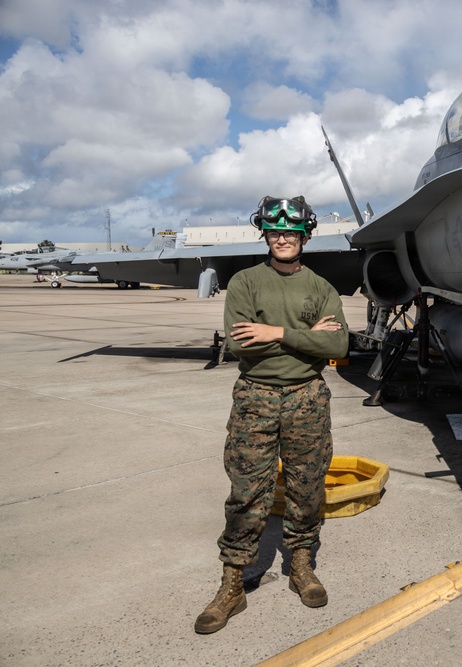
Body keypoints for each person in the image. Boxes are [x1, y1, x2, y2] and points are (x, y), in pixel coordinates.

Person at [195, 195, 349, 634]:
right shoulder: (245, 282)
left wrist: (275, 331)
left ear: (304, 235)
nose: (283, 238)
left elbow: (338, 347)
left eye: (292, 232)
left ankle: (301, 565)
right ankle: (232, 585)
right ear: (265, 233)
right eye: (276, 231)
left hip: (307, 398)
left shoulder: (321, 288)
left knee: (306, 488)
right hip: (256, 396)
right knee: (247, 492)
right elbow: (240, 344)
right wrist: (307, 336)